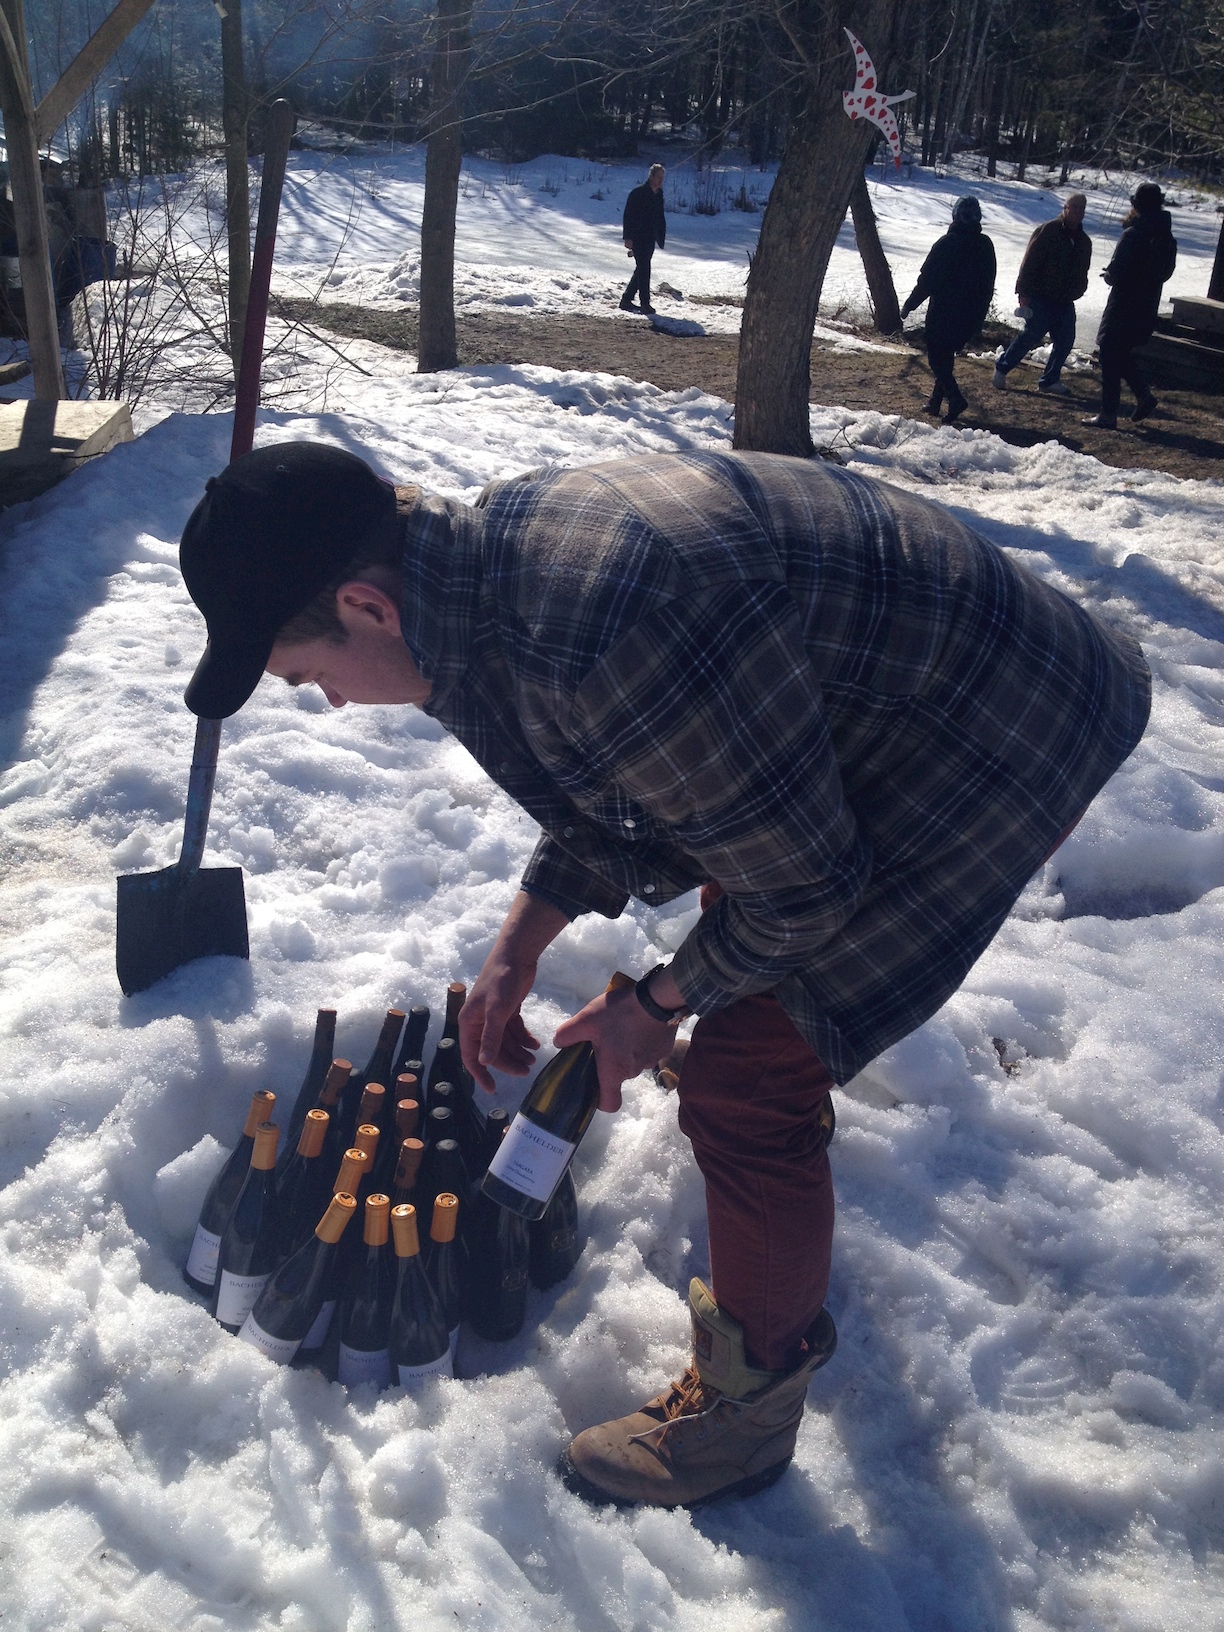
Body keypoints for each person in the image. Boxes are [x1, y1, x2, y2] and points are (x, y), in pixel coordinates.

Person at [179, 439, 1150, 1510]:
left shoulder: (597, 619)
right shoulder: (459, 584)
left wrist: (657, 1007)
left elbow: (806, 890)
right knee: (751, 896)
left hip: (998, 723)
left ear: (364, 606)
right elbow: (627, 779)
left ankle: (744, 1415)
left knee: (749, 1073)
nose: (330, 705)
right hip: (874, 698)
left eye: (306, 678)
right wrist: (525, 934)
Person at [1083, 183, 1177, 430]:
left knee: (1108, 352)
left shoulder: (1133, 234)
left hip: (1123, 303)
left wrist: (1110, 276)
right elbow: (1166, 272)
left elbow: (1116, 272)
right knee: (1121, 353)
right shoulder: (1167, 238)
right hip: (1146, 305)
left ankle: (1108, 413)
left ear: (1136, 206)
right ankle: (1144, 397)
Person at [900, 195, 997, 423]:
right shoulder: (985, 245)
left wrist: (909, 305)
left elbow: (927, 281)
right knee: (946, 357)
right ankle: (935, 402)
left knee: (936, 358)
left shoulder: (947, 243)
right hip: (970, 313)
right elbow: (987, 286)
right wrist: (979, 319)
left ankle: (956, 399)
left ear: (955, 216)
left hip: (944, 311)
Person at [992, 194, 1091, 397]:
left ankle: (1049, 380)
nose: (1077, 212)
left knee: (1065, 340)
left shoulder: (1083, 241)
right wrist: (1023, 292)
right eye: (1074, 207)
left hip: (1065, 300)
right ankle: (1002, 367)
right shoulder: (1049, 231)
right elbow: (1030, 261)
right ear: (1065, 208)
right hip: (1041, 295)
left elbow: (1083, 270)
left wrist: (1080, 288)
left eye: (1081, 208)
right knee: (1031, 335)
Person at [620, 164, 666, 315]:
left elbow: (659, 217)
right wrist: (628, 237)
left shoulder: (659, 195)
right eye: (658, 177)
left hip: (650, 237)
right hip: (638, 237)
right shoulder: (638, 193)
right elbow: (628, 216)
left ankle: (626, 299)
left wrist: (660, 235)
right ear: (651, 176)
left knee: (641, 268)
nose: (660, 181)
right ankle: (645, 303)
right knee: (644, 268)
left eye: (662, 178)